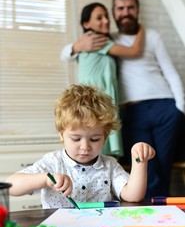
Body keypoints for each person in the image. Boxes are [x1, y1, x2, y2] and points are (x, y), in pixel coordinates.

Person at [61, 0, 185, 199]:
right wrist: (75, 46)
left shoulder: (152, 36)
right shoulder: (106, 39)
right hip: (132, 111)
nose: (125, 12)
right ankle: (147, 207)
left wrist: (180, 106)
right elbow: (67, 54)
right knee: (144, 162)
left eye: (130, 7)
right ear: (115, 13)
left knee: (164, 162)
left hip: (165, 106)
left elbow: (170, 71)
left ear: (137, 10)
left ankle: (163, 211)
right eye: (120, 9)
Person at [5, 84, 155, 209]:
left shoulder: (109, 165)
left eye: (95, 139)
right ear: (61, 134)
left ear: (105, 137)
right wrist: (45, 179)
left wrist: (139, 161)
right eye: (76, 139)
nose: (85, 147)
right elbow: (11, 186)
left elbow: (134, 196)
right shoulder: (53, 162)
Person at [61, 2, 144, 157]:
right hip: (95, 104)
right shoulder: (96, 40)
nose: (106, 21)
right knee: (97, 147)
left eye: (106, 16)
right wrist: (142, 29)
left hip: (102, 102)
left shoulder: (97, 41)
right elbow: (135, 51)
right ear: (86, 24)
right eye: (99, 17)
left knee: (101, 151)